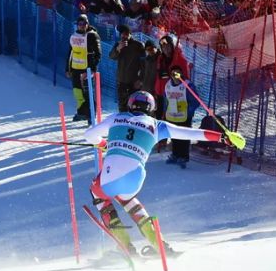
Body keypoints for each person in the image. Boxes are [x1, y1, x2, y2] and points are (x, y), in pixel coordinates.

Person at [84, 90, 242, 256]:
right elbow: (189, 133)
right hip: (136, 177)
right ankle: (159, 244)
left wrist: (103, 143)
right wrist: (223, 138)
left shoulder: (115, 118)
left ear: (130, 104)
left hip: (110, 178)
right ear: (151, 108)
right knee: (127, 199)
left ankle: (125, 245)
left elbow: (89, 135)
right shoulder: (158, 126)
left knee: (98, 193)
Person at [161, 67, 202, 168]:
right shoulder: (168, 85)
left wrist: (189, 112)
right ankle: (175, 155)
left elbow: (196, 101)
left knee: (184, 136)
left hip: (184, 116)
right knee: (174, 136)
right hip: (171, 115)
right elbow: (166, 100)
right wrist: (165, 113)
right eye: (173, 74)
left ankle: (183, 157)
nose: (176, 76)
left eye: (178, 73)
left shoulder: (188, 85)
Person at [66, 14, 101, 121]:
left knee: (88, 92)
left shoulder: (92, 35)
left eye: (84, 24)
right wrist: (68, 69)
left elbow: (98, 54)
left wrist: (92, 69)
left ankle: (91, 115)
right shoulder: (74, 36)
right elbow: (70, 53)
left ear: (87, 24)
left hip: (87, 69)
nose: (81, 26)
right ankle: (81, 112)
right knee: (77, 92)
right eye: (79, 24)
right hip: (75, 68)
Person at [109, 24, 145, 112]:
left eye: (126, 34)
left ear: (130, 34)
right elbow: (111, 56)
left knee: (135, 106)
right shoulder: (118, 44)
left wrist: (140, 79)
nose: (124, 36)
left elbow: (144, 64)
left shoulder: (138, 45)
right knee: (122, 106)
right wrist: (118, 49)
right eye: (122, 34)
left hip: (134, 81)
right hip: (121, 81)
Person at [154, 34, 190, 118]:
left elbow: (186, 79)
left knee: (171, 118)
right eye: (163, 47)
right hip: (160, 93)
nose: (165, 49)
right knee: (159, 117)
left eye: (167, 46)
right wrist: (156, 90)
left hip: (173, 94)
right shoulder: (160, 59)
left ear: (172, 46)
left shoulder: (180, 59)